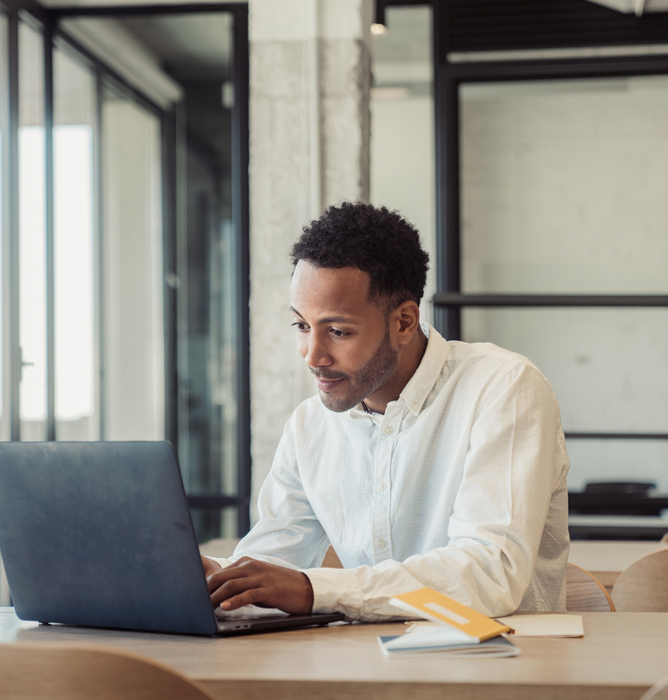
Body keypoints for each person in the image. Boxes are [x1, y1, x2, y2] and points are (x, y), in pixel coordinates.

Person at [204, 202, 570, 620]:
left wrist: (313, 589)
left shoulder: (504, 388)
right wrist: (225, 583)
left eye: (338, 331)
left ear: (404, 322)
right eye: (302, 327)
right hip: (366, 668)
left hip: (498, 671)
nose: (312, 355)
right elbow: (272, 560)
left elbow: (491, 571)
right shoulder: (309, 425)